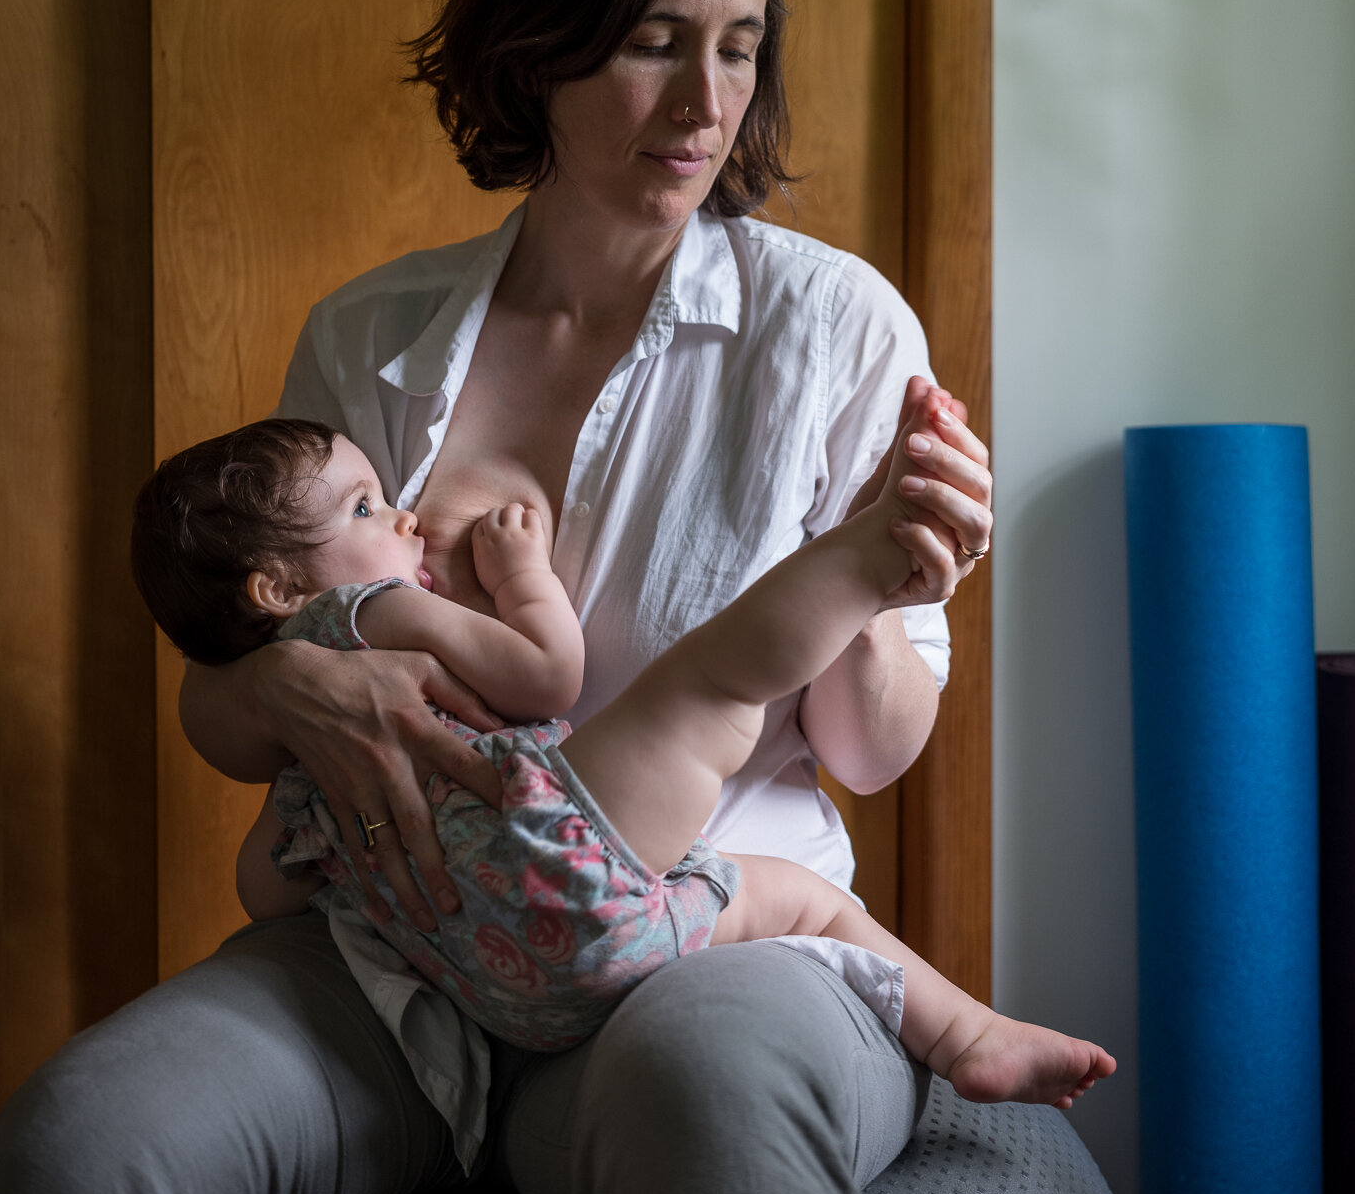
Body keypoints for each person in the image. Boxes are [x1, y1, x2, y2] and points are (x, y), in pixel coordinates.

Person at [0, 0, 1004, 1194]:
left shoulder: (834, 327)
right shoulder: (374, 337)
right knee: (73, 1164)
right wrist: (289, 682)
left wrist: (905, 577)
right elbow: (224, 709)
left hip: (703, 947)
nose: (705, 102)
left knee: (720, 1127)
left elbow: (873, 754)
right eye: (657, 37)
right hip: (398, 953)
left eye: (739, 46)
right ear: (539, 42)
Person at [130, 411, 1112, 1107]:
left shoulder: (308, 763)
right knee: (712, 688)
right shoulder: (362, 615)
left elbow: (265, 888)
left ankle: (973, 1041)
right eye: (361, 511)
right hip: (553, 853)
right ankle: (864, 562)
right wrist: (519, 577)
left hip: (507, 991)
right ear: (275, 588)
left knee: (789, 899)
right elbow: (549, 676)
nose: (402, 519)